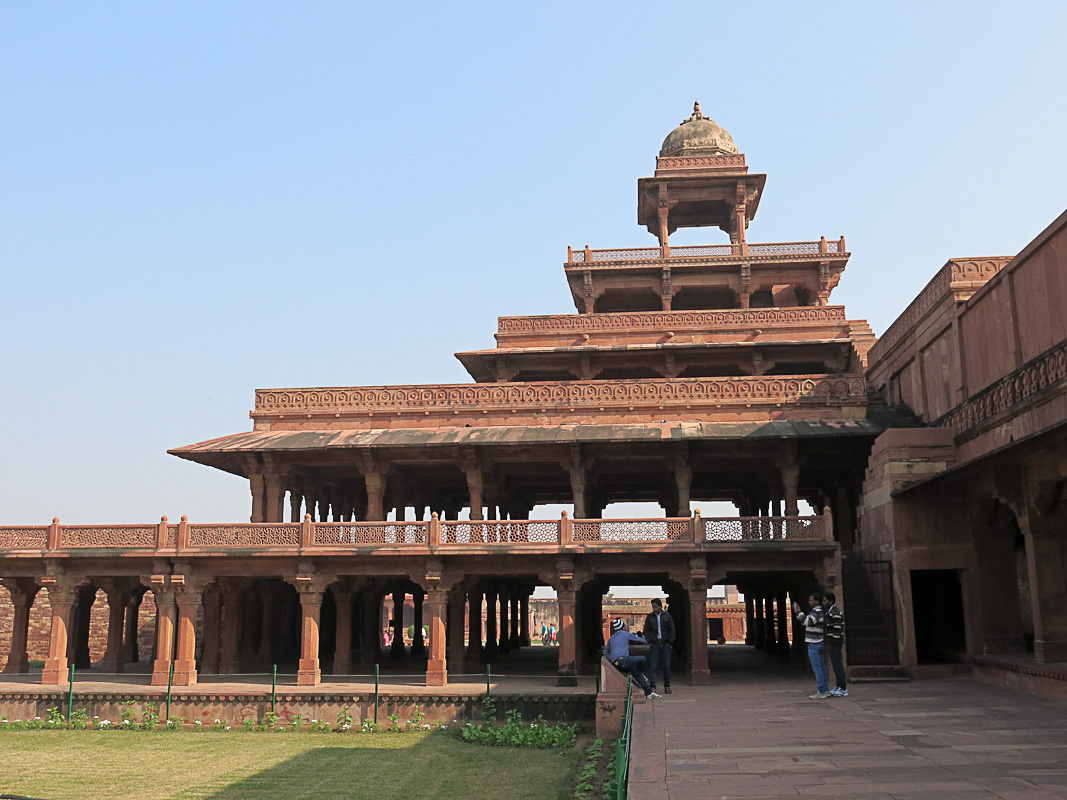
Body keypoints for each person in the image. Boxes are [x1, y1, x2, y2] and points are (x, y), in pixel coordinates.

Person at [603, 618, 661, 699]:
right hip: (623, 660)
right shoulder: (625, 634)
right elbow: (638, 639)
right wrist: (649, 642)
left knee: (636, 672)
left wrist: (612, 660)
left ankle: (648, 693)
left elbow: (605, 652)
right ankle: (643, 672)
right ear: (623, 627)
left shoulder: (611, 638)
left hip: (617, 663)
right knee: (643, 658)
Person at [793, 591, 829, 699]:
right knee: (821, 667)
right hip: (818, 642)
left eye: (811, 600)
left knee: (817, 668)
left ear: (817, 601)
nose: (809, 602)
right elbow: (805, 622)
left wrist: (799, 612)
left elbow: (807, 622)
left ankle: (822, 690)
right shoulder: (817, 612)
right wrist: (799, 614)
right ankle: (824, 689)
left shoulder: (817, 612)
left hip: (815, 643)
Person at [642, 598, 675, 694]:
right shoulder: (650, 617)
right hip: (655, 643)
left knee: (667, 665)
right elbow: (646, 630)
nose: (654, 609)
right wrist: (649, 641)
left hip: (665, 643)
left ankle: (667, 686)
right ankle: (653, 686)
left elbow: (672, 629)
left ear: (660, 606)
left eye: (656, 607)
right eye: (653, 607)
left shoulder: (667, 616)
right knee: (652, 665)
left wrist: (670, 642)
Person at [822, 592, 847, 697]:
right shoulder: (831, 612)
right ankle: (839, 686)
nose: (823, 603)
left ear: (830, 601)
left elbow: (837, 629)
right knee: (836, 665)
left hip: (835, 643)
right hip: (833, 642)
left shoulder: (835, 613)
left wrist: (832, 642)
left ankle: (842, 688)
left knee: (838, 665)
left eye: (825, 601)